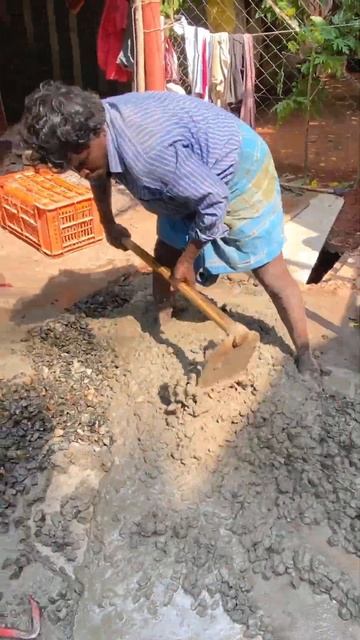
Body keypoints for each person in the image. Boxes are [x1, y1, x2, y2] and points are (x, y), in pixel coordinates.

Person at [21, 80, 317, 375]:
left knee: (268, 268)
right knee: (165, 250)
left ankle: (305, 353)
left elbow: (213, 198)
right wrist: (108, 222)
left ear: (98, 131)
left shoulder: (150, 157)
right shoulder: (92, 133)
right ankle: (163, 315)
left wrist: (188, 260)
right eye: (72, 166)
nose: (81, 171)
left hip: (235, 167)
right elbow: (97, 173)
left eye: (82, 161)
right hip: (188, 169)